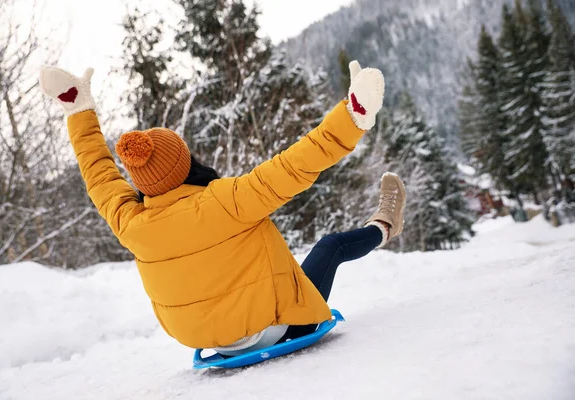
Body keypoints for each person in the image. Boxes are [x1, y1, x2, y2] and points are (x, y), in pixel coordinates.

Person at [39, 60, 405, 357]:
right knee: (331, 247)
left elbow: (99, 174)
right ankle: (385, 224)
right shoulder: (226, 200)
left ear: (140, 184)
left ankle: (381, 224)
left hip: (212, 342)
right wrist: (352, 117)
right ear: (186, 162)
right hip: (274, 329)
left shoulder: (131, 221)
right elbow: (297, 163)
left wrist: (79, 110)